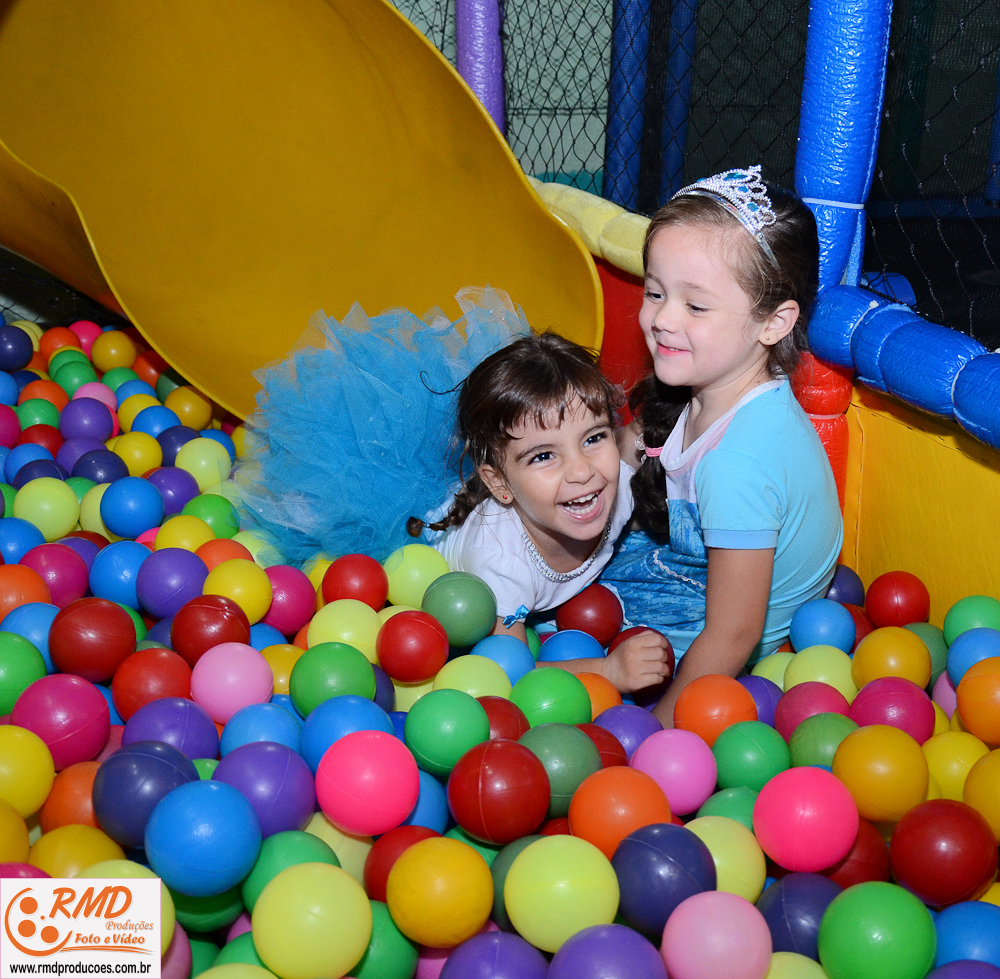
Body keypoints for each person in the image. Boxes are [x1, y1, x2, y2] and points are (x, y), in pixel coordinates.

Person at [238, 286, 671, 693]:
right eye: (543, 456)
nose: (581, 471)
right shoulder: (500, 568)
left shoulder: (616, 479)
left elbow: (653, 427)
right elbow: (507, 672)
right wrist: (607, 670)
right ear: (500, 484)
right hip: (417, 536)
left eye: (593, 438)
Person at [600, 165, 843, 725]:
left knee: (560, 645)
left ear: (773, 323)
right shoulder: (715, 387)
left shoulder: (738, 461)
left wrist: (658, 733)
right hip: (690, 577)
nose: (662, 319)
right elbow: (627, 450)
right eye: (655, 292)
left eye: (696, 306)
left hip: (712, 638)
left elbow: (734, 634)